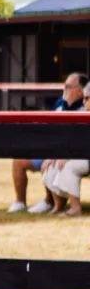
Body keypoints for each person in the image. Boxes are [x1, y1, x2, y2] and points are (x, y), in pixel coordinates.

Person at [8, 72, 88, 213]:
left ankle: (51, 202)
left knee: (55, 164)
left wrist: (57, 154)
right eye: (64, 86)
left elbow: (77, 141)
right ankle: (20, 202)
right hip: (50, 150)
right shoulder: (59, 104)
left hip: (65, 154)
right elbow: (47, 128)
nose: (64, 89)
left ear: (80, 91)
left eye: (68, 86)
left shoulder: (84, 110)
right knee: (19, 160)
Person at [42, 83, 90, 216]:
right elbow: (70, 140)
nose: (84, 102)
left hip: (85, 157)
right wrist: (55, 155)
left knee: (69, 167)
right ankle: (58, 206)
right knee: (52, 166)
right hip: (81, 155)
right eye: (84, 98)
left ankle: (75, 209)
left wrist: (68, 156)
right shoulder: (81, 115)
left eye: (87, 98)